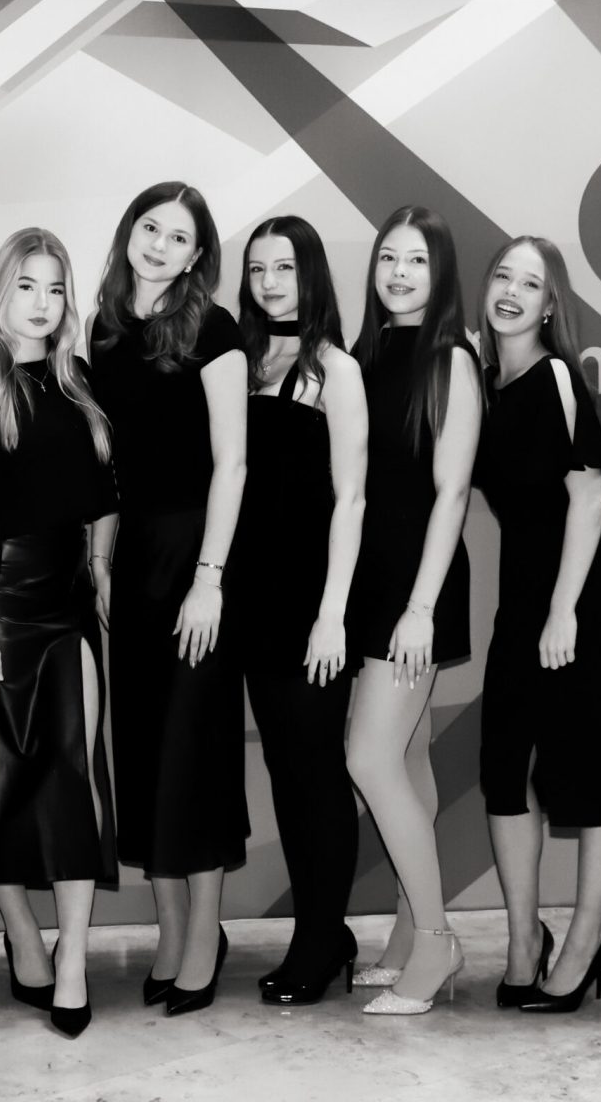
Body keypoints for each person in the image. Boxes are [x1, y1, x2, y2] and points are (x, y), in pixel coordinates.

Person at [0, 228, 119, 1039]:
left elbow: (105, 493)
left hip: (68, 604)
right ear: (0, 294)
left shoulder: (81, 387)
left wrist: (101, 562)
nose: (42, 304)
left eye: (55, 289)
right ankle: (21, 934)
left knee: (73, 778)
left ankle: (73, 955)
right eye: (27, 287)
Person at [88, 181, 248, 1016]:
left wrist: (210, 579)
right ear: (130, 233)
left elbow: (233, 463)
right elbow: (110, 466)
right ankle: (172, 927)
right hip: (135, 560)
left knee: (197, 752)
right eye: (149, 227)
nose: (158, 245)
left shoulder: (214, 330)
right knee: (146, 748)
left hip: (198, 557)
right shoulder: (104, 330)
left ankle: (205, 935)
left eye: (178, 237)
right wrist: (102, 559)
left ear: (197, 256)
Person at [470, 237, 601, 1015]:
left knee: (589, 778)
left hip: (577, 602)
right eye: (503, 276)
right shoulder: (484, 383)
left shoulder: (556, 377)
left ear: (549, 305)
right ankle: (522, 942)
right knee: (505, 772)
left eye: (530, 284)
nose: (512, 291)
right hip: (520, 601)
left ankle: (583, 946)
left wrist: (565, 608)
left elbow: (589, 497)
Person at [344, 205, 480, 1016]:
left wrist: (421, 607)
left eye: (417, 261)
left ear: (441, 275)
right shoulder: (363, 355)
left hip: (415, 590)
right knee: (408, 760)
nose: (398, 273)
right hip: (368, 584)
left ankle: (435, 943)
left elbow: (452, 492)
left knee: (368, 758)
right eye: (389, 258)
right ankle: (405, 934)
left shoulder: (450, 359)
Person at [231, 216, 368, 1007]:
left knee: (316, 772)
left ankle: (321, 936)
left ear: (310, 273)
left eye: (284, 267)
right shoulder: (243, 364)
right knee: (286, 771)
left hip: (313, 603)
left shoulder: (335, 369)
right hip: (253, 599)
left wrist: (333, 615)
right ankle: (324, 931)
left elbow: (351, 499)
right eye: (258, 269)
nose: (270, 282)